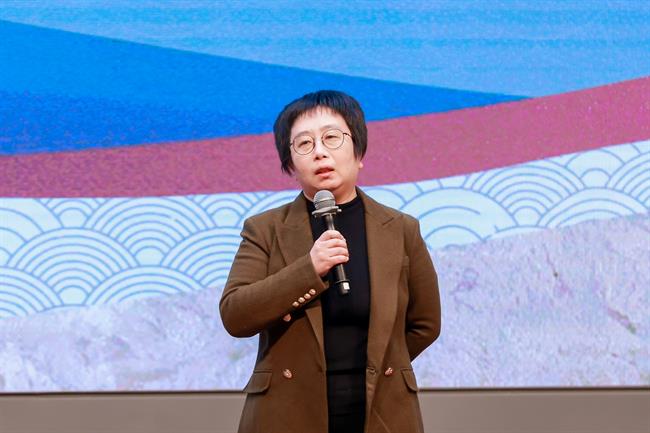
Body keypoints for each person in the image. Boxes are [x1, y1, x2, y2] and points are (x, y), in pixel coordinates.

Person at [220, 90, 441, 433]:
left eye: (332, 138)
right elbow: (236, 314)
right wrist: (308, 270)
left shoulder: (400, 229)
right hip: (288, 411)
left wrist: (379, 366)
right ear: (290, 164)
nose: (319, 152)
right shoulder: (265, 230)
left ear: (359, 152)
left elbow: (425, 323)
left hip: (382, 410)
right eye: (304, 144)